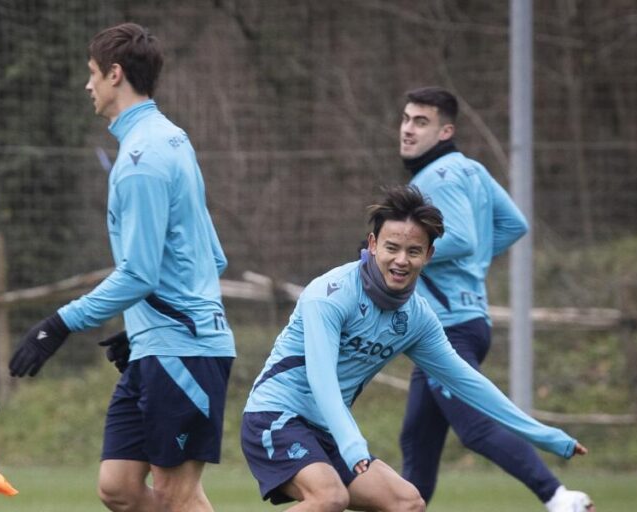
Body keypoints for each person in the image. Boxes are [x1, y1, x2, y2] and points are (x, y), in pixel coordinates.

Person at [241, 185, 588, 511]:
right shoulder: (330, 295)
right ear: (374, 244)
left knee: (407, 503)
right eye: (392, 248)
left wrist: (546, 436)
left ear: (429, 254)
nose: (401, 260)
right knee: (329, 497)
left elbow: (469, 383)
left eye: (413, 251)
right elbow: (322, 381)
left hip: (327, 431)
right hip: (276, 416)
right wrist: (351, 444)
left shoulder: (418, 318)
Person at [8, 22, 235, 512]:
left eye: (92, 73)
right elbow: (210, 255)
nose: (87, 85)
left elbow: (138, 274)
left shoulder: (142, 159)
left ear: (115, 75)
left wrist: (57, 325)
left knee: (178, 497)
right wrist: (144, 327)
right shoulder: (172, 139)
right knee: (119, 487)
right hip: (161, 341)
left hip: (184, 349)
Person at [397, 87, 594, 512]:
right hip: (466, 318)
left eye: (421, 122)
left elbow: (463, 237)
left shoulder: (437, 176)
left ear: (445, 130)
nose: (408, 129)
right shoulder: (472, 170)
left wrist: (401, 253)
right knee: (418, 437)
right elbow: (514, 224)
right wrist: (473, 266)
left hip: (447, 327)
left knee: (475, 428)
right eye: (407, 119)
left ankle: (560, 498)